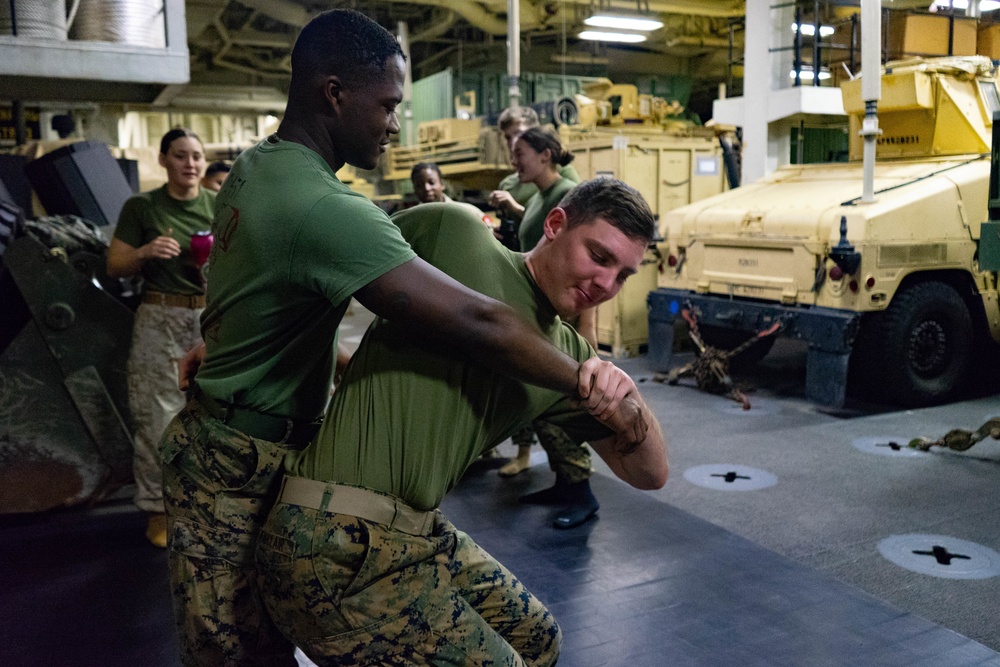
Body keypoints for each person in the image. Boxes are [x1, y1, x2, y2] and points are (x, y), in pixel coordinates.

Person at [160, 10, 642, 667]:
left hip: (246, 434)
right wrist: (586, 380)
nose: (394, 123)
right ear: (334, 93)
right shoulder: (327, 210)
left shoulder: (258, 169)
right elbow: (481, 322)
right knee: (233, 654)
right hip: (234, 460)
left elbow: (256, 284)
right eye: (387, 104)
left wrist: (222, 339)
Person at [256, 180, 669, 666]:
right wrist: (254, 346)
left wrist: (627, 394)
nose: (606, 284)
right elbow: (319, 259)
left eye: (623, 275)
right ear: (555, 225)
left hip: (411, 532)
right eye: (599, 256)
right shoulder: (457, 234)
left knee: (538, 640)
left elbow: (650, 473)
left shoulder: (568, 362)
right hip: (327, 534)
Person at [106, 128, 213, 548]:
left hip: (208, 315)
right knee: (158, 418)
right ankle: (157, 510)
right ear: (164, 159)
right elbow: (115, 265)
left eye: (197, 156)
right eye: (181, 155)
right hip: (160, 315)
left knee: (213, 417)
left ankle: (206, 506)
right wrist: (145, 252)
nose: (190, 163)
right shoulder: (142, 206)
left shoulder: (217, 205)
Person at [492, 127, 602, 528]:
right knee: (538, 405)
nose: (513, 160)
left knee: (557, 402)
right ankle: (565, 483)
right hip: (538, 315)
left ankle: (582, 491)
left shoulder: (567, 195)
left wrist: (586, 329)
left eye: (520, 152)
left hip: (562, 320)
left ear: (545, 154)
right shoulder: (539, 197)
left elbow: (584, 263)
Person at [410, 161, 484, 219]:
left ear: (442, 184)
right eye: (419, 185)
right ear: (414, 189)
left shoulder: (469, 212)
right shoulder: (411, 219)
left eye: (431, 183)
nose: (427, 188)